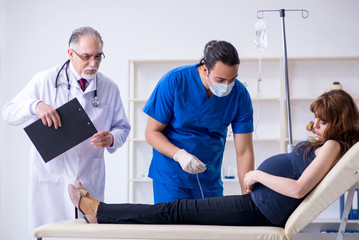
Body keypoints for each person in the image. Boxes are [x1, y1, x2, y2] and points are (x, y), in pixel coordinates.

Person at [68, 89, 359, 227]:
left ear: (338, 121)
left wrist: (257, 175)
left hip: (262, 209)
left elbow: (297, 188)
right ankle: (101, 212)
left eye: (321, 121)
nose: (315, 126)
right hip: (259, 204)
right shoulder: (331, 144)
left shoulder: (333, 146)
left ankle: (99, 212)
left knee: (176, 211)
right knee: (177, 211)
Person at [2, 26, 131, 230]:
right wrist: (35, 105)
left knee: (88, 233)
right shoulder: (45, 80)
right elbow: (8, 112)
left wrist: (112, 138)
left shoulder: (109, 87)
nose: (94, 63)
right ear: (70, 53)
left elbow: (123, 127)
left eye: (99, 57)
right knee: (50, 232)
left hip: (89, 178)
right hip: (51, 180)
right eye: (86, 57)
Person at [143, 40, 254, 203]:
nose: (227, 85)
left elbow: (244, 151)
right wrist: (179, 155)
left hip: (209, 179)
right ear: (204, 69)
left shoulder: (239, 94)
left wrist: (248, 196)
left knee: (210, 228)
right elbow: (151, 133)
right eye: (220, 79)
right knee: (173, 227)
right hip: (171, 177)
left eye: (232, 79)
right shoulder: (175, 81)